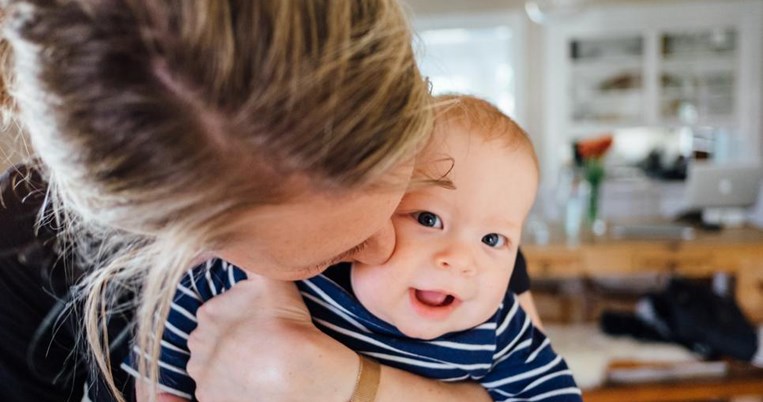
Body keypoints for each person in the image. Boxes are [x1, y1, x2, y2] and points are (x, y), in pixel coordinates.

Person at [0, 1, 517, 401]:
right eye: (334, 251)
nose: (390, 246)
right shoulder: (19, 270)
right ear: (185, 242)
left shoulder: (461, 192)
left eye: (409, 198)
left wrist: (351, 386)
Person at [128, 95, 580, 401]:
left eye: (493, 240)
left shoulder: (499, 327)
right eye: (428, 219)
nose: (460, 259)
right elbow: (165, 345)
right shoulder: (294, 270)